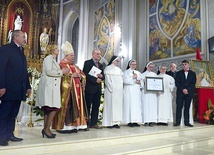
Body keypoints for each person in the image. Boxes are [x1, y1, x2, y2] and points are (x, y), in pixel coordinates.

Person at [0, 30, 31, 146]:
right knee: (4, 113)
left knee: (13, 113)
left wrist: (28, 86)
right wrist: (1, 86)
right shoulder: (6, 49)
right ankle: (1, 136)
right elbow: (1, 68)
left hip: (19, 88)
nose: (25, 39)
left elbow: (24, 71)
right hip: (8, 88)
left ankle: (10, 134)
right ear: (16, 37)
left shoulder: (21, 50)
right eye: (23, 37)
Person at [52, 41, 88, 133]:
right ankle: (64, 126)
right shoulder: (61, 65)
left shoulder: (75, 66)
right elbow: (60, 75)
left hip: (77, 91)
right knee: (67, 107)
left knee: (74, 108)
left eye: (73, 55)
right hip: (67, 91)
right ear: (66, 56)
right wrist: (71, 75)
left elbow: (83, 74)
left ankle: (73, 126)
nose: (73, 57)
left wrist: (80, 76)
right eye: (71, 55)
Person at [35, 44, 69, 139]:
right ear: (52, 50)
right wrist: (62, 72)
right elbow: (49, 71)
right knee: (53, 108)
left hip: (52, 86)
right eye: (56, 49)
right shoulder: (48, 59)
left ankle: (46, 129)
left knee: (49, 108)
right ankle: (46, 129)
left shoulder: (53, 59)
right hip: (49, 87)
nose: (58, 50)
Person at [83, 49, 104, 129]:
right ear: (93, 54)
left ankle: (94, 123)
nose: (99, 55)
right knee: (88, 106)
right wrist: (95, 80)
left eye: (99, 54)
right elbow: (85, 74)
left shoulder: (101, 65)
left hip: (98, 89)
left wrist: (101, 77)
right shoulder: (88, 63)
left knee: (96, 106)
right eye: (97, 54)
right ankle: (86, 123)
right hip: (90, 87)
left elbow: (103, 76)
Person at [102, 55, 123, 128]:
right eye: (117, 61)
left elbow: (121, 80)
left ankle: (116, 123)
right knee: (110, 106)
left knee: (117, 107)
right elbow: (107, 80)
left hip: (118, 91)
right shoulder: (108, 68)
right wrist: (112, 89)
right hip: (111, 91)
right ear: (113, 61)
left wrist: (120, 89)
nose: (118, 62)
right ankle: (109, 123)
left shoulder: (119, 70)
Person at [174, 60, 196, 127]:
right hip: (180, 93)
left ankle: (187, 122)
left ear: (188, 65)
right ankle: (177, 122)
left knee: (187, 107)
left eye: (185, 64)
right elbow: (177, 83)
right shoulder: (178, 73)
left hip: (189, 93)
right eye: (183, 64)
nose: (184, 65)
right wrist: (183, 89)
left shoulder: (193, 73)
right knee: (179, 107)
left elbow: (193, 83)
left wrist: (187, 89)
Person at [123, 60, 142, 127]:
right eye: (132, 64)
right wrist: (132, 78)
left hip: (136, 91)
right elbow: (124, 81)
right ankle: (129, 121)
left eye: (135, 64)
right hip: (129, 91)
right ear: (129, 64)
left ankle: (135, 121)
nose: (134, 66)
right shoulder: (126, 72)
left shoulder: (138, 73)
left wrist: (140, 82)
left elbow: (142, 81)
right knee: (129, 105)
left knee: (136, 106)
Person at [141, 62, 158, 127]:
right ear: (147, 66)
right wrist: (144, 81)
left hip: (152, 93)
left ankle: (151, 121)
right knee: (145, 106)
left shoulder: (154, 74)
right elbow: (141, 84)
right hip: (145, 93)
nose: (150, 68)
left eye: (152, 67)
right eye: (149, 67)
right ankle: (146, 121)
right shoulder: (142, 74)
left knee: (152, 106)